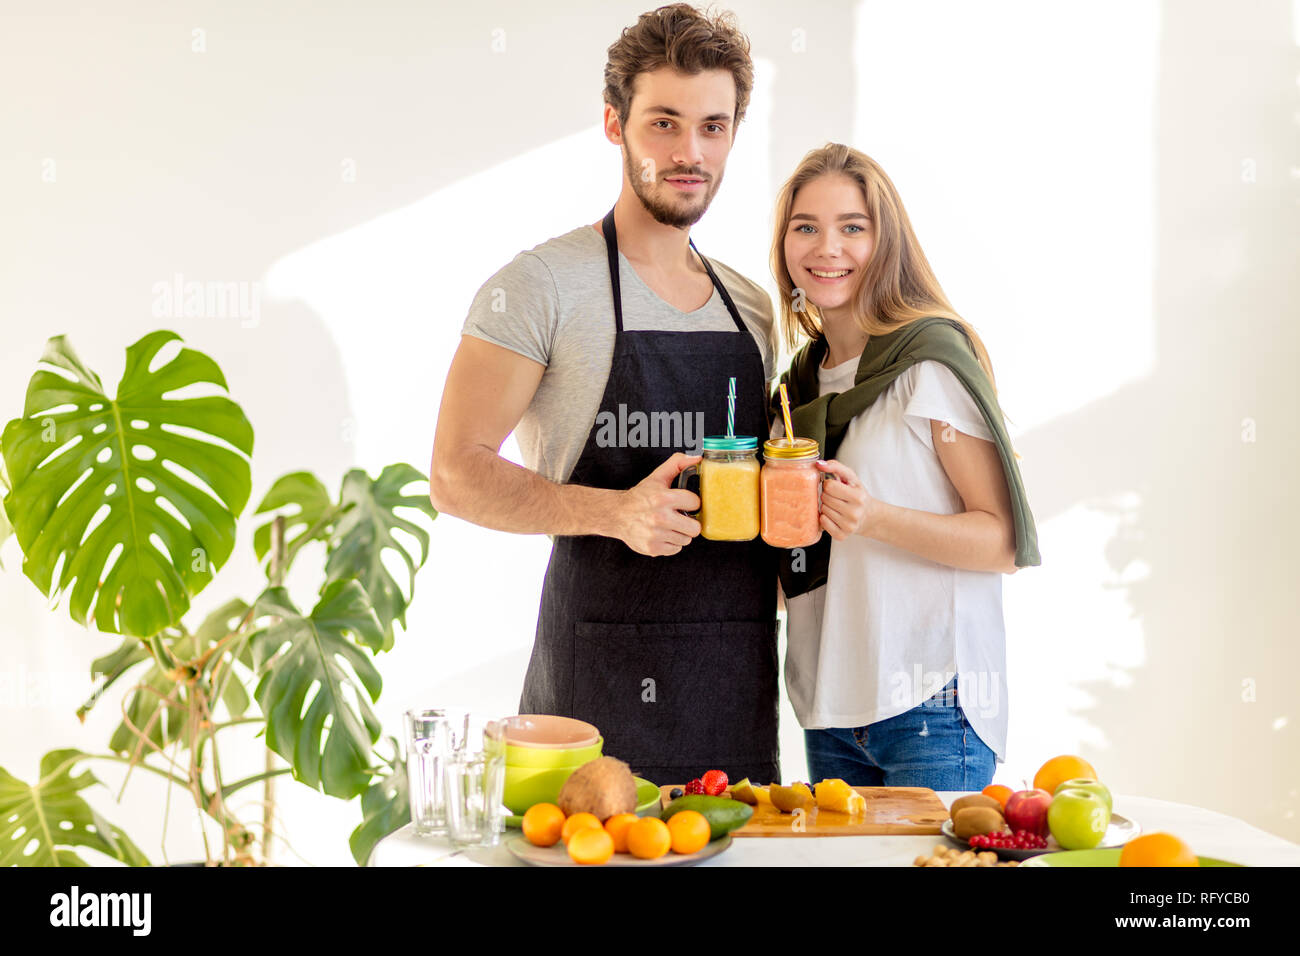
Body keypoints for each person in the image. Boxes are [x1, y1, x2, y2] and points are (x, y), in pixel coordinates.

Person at [429, 5, 781, 786]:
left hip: (735, 698)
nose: (690, 152)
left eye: (713, 126)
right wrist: (614, 513)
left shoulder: (753, 307)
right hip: (590, 707)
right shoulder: (540, 286)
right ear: (615, 125)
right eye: (664, 123)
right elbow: (454, 475)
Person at [767, 143, 1040, 790]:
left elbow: (1002, 542)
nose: (826, 247)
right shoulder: (795, 391)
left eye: (852, 228)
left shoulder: (928, 365)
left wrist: (875, 517)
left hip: (933, 702)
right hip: (830, 706)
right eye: (805, 226)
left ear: (885, 243)